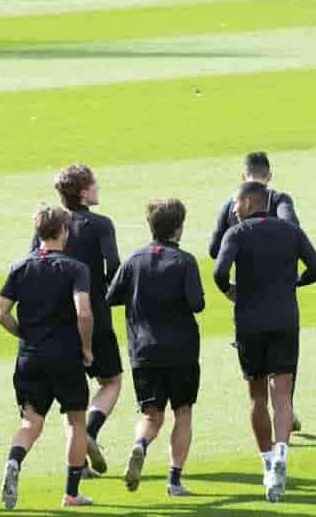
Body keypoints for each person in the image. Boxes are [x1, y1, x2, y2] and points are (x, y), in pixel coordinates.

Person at [213, 181, 316, 503]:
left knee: (257, 398)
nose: (234, 209)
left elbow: (219, 273)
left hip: (249, 323)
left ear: (249, 202)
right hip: (285, 320)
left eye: (236, 204)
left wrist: (230, 291)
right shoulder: (291, 232)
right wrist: (293, 284)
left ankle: (266, 464)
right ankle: (282, 453)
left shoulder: (236, 234)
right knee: (283, 395)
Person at [0, 205, 96, 509]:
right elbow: (83, 312)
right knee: (76, 422)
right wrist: (87, 348)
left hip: (30, 357)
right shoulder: (75, 268)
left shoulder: (20, 266)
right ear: (64, 231)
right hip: (65, 356)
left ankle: (14, 462)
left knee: (31, 424)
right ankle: (71, 493)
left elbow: (1, 314)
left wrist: (25, 336)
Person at [107, 199, 204, 498]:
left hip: (144, 351)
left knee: (152, 415)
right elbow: (197, 304)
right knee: (183, 413)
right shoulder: (185, 261)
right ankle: (174, 481)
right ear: (178, 228)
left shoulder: (134, 259)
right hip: (181, 350)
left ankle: (140, 446)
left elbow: (111, 296)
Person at [33, 164, 122, 478]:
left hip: (56, 322)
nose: (98, 188)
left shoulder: (50, 224)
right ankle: (90, 433)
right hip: (94, 314)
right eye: (94, 184)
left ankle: (79, 464)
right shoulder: (101, 225)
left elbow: (36, 263)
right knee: (111, 381)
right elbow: (114, 267)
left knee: (72, 396)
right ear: (84, 192)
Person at [209, 152, 299, 259]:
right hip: (282, 273)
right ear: (269, 176)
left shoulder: (229, 205)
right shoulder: (280, 199)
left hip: (245, 275)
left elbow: (214, 250)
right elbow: (293, 230)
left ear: (243, 177)